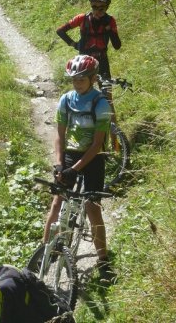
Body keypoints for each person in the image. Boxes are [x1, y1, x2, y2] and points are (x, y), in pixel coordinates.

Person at [43, 54, 115, 284]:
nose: (77, 83)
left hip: (93, 158)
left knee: (92, 208)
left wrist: (75, 169)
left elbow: (96, 144)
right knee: (57, 202)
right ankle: (43, 251)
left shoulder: (100, 103)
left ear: (93, 78)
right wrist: (59, 163)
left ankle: (103, 260)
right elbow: (60, 136)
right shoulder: (65, 99)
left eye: (82, 79)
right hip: (71, 154)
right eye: (74, 79)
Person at [56, 0, 121, 123]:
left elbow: (117, 45)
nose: (97, 11)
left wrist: (109, 29)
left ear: (107, 7)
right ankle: (80, 124)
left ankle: (115, 134)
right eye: (94, 7)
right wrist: (74, 44)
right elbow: (60, 31)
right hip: (84, 62)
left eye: (101, 8)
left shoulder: (110, 21)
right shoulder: (82, 19)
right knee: (83, 93)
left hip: (102, 61)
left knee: (108, 97)